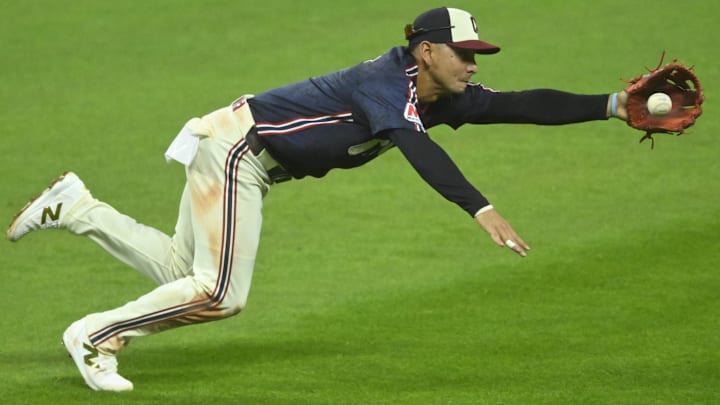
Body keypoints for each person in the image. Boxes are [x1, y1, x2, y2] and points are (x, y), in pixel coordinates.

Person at [6, 7, 629, 391]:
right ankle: (95, 334)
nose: (473, 64)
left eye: (476, 55)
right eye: (465, 53)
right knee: (222, 294)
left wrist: (612, 106)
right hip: (235, 149)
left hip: (237, 151)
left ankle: (76, 207)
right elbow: (418, 149)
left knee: (182, 273)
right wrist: (479, 206)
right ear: (427, 51)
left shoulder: (442, 92)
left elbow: (521, 104)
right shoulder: (385, 83)